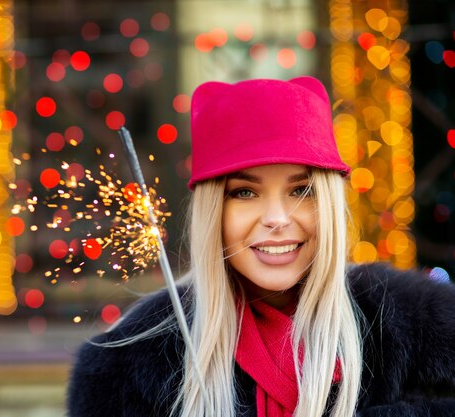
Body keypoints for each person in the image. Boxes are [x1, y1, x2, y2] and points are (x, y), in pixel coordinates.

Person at [66, 77, 455, 417]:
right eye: (245, 192)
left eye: (301, 190)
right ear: (213, 211)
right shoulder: (127, 364)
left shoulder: (423, 326)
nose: (277, 218)